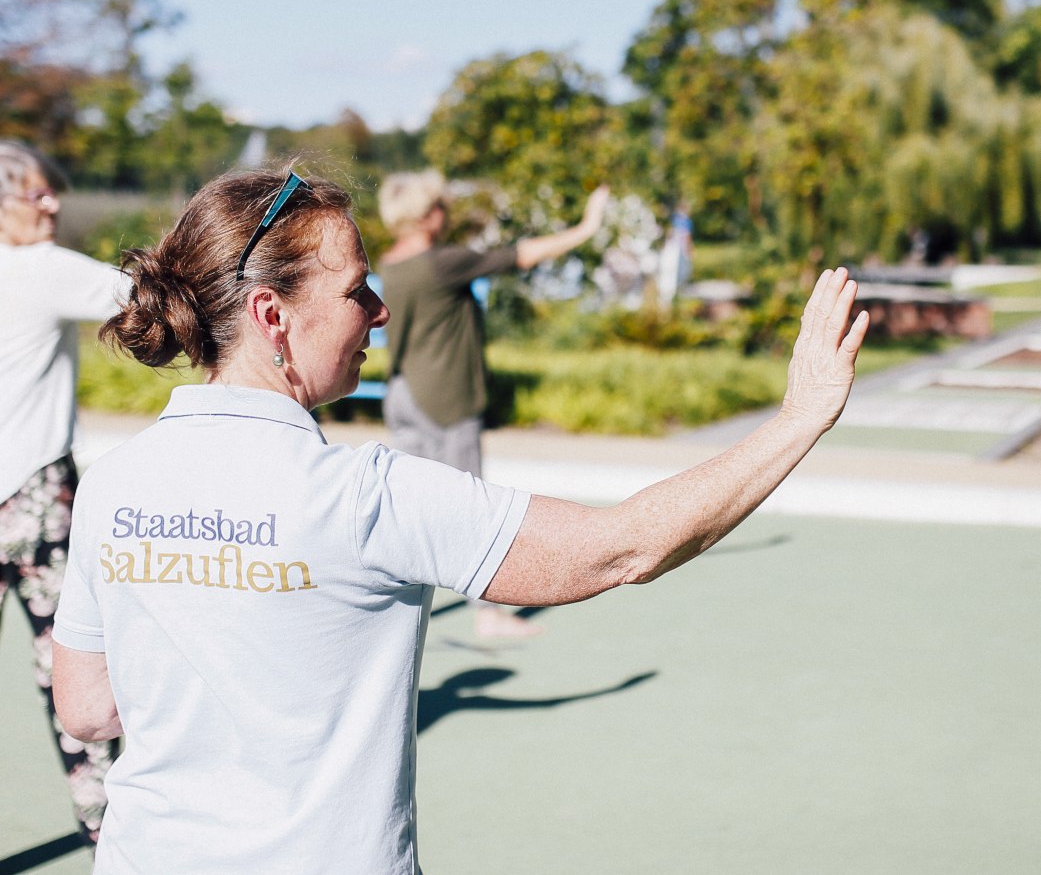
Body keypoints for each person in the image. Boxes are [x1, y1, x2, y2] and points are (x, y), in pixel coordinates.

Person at [52, 166, 867, 874]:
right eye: (355, 289)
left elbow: (88, 710)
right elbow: (615, 551)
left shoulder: (112, 483)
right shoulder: (366, 495)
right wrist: (798, 417)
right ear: (272, 316)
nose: (378, 311)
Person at [377, 171, 608, 637]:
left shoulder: (392, 263)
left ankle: (393, 617)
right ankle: (488, 614)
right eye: (442, 207)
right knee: (469, 508)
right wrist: (585, 228)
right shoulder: (442, 263)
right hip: (443, 397)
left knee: (409, 512)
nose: (447, 215)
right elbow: (518, 256)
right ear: (428, 215)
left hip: (401, 394)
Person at [0, 140, 127, 846]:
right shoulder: (40, 270)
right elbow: (147, 297)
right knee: (77, 678)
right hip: (37, 497)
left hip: (36, 493)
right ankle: (112, 838)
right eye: (36, 194)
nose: (53, 204)